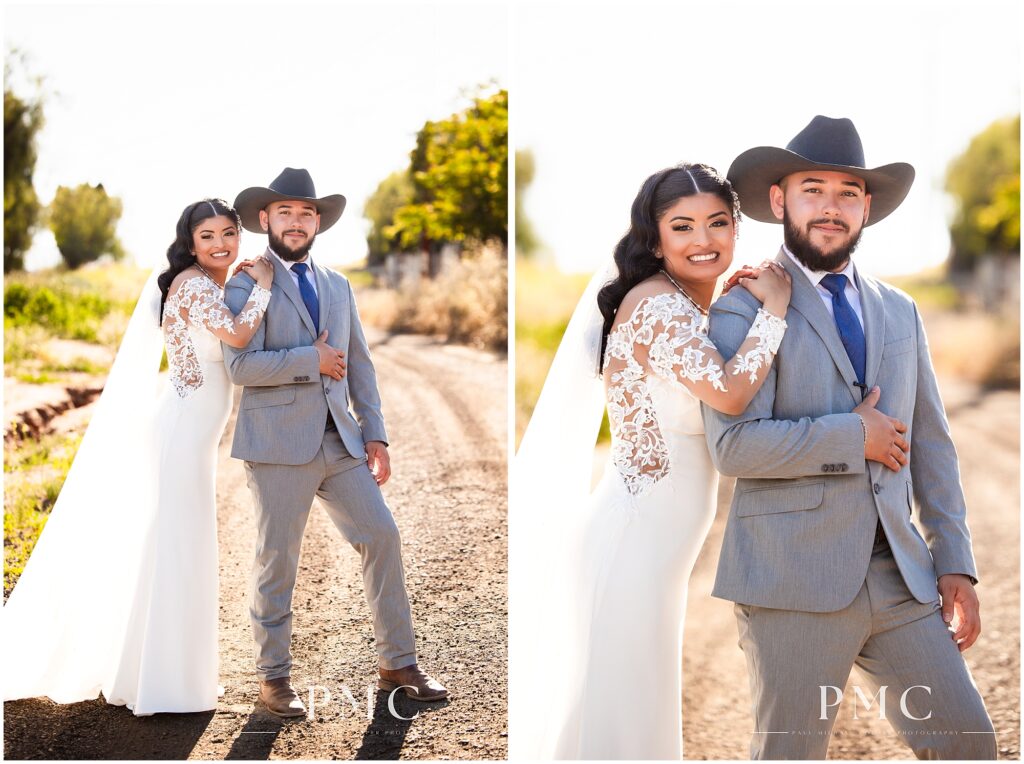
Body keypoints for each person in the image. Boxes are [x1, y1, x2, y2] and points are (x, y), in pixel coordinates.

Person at [515, 162, 852, 759]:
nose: (704, 241)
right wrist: (772, 310)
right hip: (635, 538)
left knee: (628, 705)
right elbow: (727, 391)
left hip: (655, 539)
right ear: (655, 237)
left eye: (718, 223)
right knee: (622, 712)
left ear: (736, 229)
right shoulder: (658, 307)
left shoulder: (684, 304)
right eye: (683, 227)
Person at [704, 115, 996, 759]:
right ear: (780, 200)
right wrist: (850, 435)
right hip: (793, 582)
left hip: (901, 581)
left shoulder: (900, 310)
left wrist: (955, 562)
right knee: (791, 753)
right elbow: (734, 447)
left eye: (847, 192)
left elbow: (933, 445)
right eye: (813, 188)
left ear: (866, 207)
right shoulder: (742, 307)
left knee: (968, 743)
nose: (830, 208)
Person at [3, 199, 274, 715]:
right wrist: (260, 283)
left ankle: (159, 674)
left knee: (178, 545)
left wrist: (243, 280)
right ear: (190, 244)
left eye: (228, 234)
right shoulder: (192, 284)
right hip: (181, 429)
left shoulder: (208, 282)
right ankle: (164, 684)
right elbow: (239, 334)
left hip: (193, 429)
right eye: (208, 237)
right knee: (177, 545)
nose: (220, 245)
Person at [223, 168, 447, 719]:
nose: (296, 222)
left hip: (340, 441)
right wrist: (311, 361)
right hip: (277, 444)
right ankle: (273, 677)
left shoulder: (339, 285)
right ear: (264, 220)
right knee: (279, 559)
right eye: (285, 213)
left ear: (317, 221)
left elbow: (361, 365)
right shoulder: (245, 282)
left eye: (305, 213)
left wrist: (376, 433)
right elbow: (240, 367)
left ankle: (398, 662)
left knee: (382, 537)